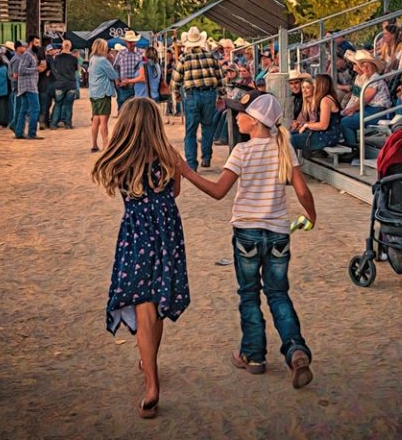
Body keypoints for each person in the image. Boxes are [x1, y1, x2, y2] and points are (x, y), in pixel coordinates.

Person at [179, 92, 316, 389]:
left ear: (253, 122)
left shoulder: (241, 152)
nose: (235, 116)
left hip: (247, 233)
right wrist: (311, 216)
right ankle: (296, 350)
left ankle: (253, 356)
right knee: (279, 294)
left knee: (249, 294)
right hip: (279, 232)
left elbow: (218, 191)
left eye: (240, 113)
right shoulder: (284, 149)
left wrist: (187, 172)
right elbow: (303, 191)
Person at [91, 98, 188, 419]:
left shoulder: (121, 161)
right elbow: (174, 192)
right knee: (155, 305)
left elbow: (119, 187)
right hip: (167, 234)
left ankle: (151, 383)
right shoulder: (169, 157)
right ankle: (149, 368)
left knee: (144, 304)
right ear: (155, 125)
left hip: (136, 236)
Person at [171, 26, 223, 170]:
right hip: (209, 94)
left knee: (190, 131)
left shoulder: (183, 58)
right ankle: (206, 157)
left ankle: (192, 164)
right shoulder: (210, 56)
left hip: (192, 95)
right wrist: (222, 95)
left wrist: (176, 94)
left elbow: (175, 81)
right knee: (207, 127)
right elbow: (220, 77)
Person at [340, 50, 392, 158]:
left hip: (378, 110)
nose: (365, 69)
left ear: (371, 66)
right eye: (363, 66)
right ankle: (352, 147)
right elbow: (357, 97)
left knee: (346, 122)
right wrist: (349, 109)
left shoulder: (375, 78)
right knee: (344, 118)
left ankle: (353, 150)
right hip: (369, 108)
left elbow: (365, 98)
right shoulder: (365, 78)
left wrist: (352, 109)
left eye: (366, 66)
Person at [290, 74, 341, 152]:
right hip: (324, 134)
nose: (314, 85)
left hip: (327, 136)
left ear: (321, 85)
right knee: (287, 135)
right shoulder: (326, 98)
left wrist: (306, 125)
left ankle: (292, 163)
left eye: (315, 83)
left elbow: (323, 125)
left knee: (290, 139)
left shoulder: (325, 100)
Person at [87, 39, 119, 152]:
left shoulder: (93, 59)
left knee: (95, 119)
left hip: (94, 92)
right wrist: (111, 59)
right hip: (103, 92)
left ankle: (94, 144)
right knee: (104, 121)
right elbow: (113, 75)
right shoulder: (102, 61)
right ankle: (106, 144)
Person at [14, 36, 43, 140]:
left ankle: (19, 132)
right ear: (31, 43)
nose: (38, 45)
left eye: (39, 43)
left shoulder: (33, 54)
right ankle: (32, 132)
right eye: (36, 42)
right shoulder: (28, 54)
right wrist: (36, 69)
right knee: (35, 109)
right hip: (29, 86)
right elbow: (21, 70)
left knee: (24, 109)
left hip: (28, 85)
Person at [49, 40, 78, 129]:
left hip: (60, 83)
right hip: (70, 83)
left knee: (58, 104)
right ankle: (68, 124)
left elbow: (54, 68)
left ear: (62, 46)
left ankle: (54, 123)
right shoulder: (74, 58)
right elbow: (76, 69)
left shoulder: (57, 58)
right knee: (69, 105)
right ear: (70, 46)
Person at [113, 30, 142, 111]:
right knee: (123, 108)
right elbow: (115, 68)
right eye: (129, 42)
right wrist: (117, 80)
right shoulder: (121, 54)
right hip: (124, 86)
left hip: (137, 86)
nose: (131, 44)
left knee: (136, 109)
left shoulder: (141, 53)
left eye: (133, 42)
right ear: (125, 42)